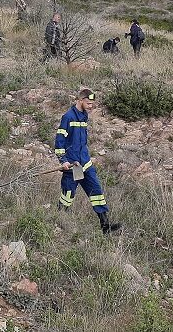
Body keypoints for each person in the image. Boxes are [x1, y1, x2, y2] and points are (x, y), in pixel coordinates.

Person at [55, 88, 121, 234]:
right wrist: (63, 161)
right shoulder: (68, 117)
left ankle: (105, 225)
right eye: (89, 103)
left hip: (85, 163)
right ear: (80, 100)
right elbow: (60, 141)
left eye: (92, 103)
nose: (91, 106)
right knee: (68, 195)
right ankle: (57, 224)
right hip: (74, 166)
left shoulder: (84, 116)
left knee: (96, 191)